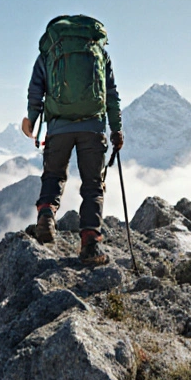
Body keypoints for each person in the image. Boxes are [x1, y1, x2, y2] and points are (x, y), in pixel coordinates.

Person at [21, 14, 123, 265]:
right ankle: (90, 243)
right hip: (93, 127)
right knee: (93, 184)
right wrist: (116, 129)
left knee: (53, 175)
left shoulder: (50, 52)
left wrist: (32, 120)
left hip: (58, 127)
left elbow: (36, 89)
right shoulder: (98, 51)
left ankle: (46, 214)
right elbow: (111, 93)